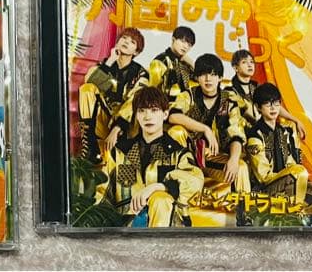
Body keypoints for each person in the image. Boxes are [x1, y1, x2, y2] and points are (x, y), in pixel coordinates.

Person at [97, 86, 204, 227]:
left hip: (168, 227)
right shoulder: (120, 152)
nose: (148, 117)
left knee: (160, 198)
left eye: (154, 110)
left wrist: (159, 187)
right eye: (142, 111)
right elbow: (101, 192)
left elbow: (196, 181)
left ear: (165, 114)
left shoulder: (178, 153)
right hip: (126, 227)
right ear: (136, 115)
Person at [166, 54, 250, 193]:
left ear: (220, 78)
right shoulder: (189, 95)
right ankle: (177, 177)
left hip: (213, 158)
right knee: (176, 131)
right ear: (197, 77)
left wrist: (234, 159)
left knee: (240, 167)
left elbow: (237, 136)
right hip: (189, 156)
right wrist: (205, 129)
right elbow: (173, 116)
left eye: (213, 74)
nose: (208, 79)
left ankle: (242, 206)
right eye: (203, 74)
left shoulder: (229, 102)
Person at [77, 27, 149, 164]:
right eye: (124, 38)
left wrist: (117, 128)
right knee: (87, 88)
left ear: (136, 52)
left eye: (132, 42)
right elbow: (90, 81)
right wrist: (110, 61)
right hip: (103, 120)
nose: (126, 42)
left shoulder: (141, 73)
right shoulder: (106, 64)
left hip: (126, 127)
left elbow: (134, 101)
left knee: (138, 96)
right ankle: (90, 145)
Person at [245, 83, 310, 204]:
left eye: (276, 103)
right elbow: (263, 177)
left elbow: (290, 164)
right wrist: (296, 174)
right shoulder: (255, 135)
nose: (273, 108)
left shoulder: (281, 131)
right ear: (258, 107)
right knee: (298, 172)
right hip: (263, 191)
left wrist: (307, 183)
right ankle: (295, 210)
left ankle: (295, 208)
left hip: (284, 183)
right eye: (267, 104)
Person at [226, 49, 307, 138]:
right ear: (235, 68)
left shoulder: (257, 87)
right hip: (244, 133)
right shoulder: (230, 91)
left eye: (252, 62)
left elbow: (274, 105)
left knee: (291, 125)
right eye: (244, 62)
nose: (250, 65)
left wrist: (296, 120)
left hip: (263, 127)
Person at [148, 25, 196, 97]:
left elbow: (201, 81)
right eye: (183, 41)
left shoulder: (186, 63)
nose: (185, 47)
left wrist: (191, 62)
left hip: (185, 102)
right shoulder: (160, 61)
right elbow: (152, 91)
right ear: (173, 39)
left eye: (189, 45)